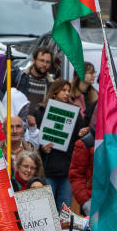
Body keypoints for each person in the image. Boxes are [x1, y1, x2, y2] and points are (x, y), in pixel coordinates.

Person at [30, 80, 85, 209]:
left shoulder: (75, 113)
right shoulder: (41, 111)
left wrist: (81, 134)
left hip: (67, 170)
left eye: (68, 90)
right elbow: (32, 140)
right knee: (47, 209)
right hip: (48, 170)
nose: (67, 93)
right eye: (63, 90)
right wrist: (42, 148)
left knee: (65, 211)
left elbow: (78, 139)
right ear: (54, 93)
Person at [16, 48, 53, 114]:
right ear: (33, 60)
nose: (44, 64)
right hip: (20, 121)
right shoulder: (20, 77)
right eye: (42, 60)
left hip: (39, 122)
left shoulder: (51, 84)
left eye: (48, 62)